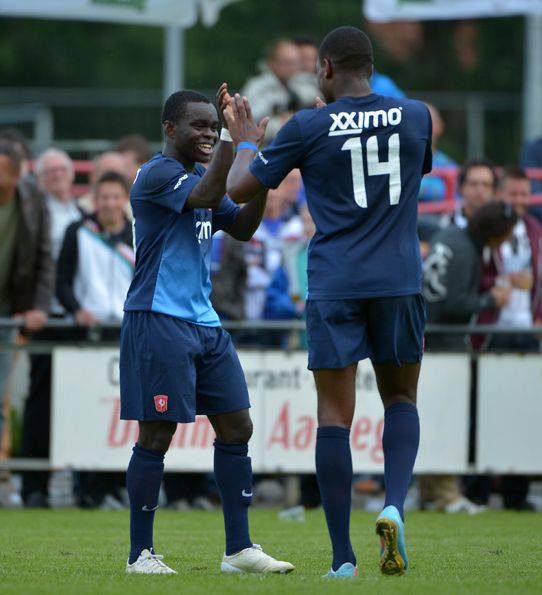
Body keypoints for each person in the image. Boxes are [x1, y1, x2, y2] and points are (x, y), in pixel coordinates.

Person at [226, 26, 432, 577]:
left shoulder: (309, 125)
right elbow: (407, 168)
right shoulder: (415, 115)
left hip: (337, 283)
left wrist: (247, 139)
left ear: (324, 70)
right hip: (398, 279)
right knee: (402, 400)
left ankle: (343, 559)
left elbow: (242, 188)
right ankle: (392, 503)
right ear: (370, 65)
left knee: (334, 417)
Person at [120, 87, 294, 575]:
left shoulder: (200, 175)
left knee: (238, 425)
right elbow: (207, 195)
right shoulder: (158, 174)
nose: (208, 133)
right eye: (199, 125)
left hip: (204, 323)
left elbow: (240, 227)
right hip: (158, 319)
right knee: (156, 433)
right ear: (170, 129)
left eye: (213, 126)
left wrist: (262, 172)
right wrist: (236, 147)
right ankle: (140, 555)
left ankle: (239, 551)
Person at [20, 147, 82, 508]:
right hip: (48, 316)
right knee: (41, 402)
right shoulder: (36, 213)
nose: (58, 175)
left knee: (78, 402)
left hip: (74, 319)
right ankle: (34, 485)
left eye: (63, 169)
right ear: (40, 178)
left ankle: (79, 483)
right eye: (51, 170)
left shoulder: (81, 212)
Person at [0, 141, 53, 458]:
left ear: (17, 175)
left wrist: (40, 308)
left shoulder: (33, 202)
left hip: (8, 313)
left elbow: (45, 259)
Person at [241, 39, 319, 142]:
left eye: (295, 63)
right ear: (272, 63)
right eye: (287, 62)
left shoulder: (299, 81)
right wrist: (281, 123)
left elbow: (317, 97)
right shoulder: (257, 86)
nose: (292, 68)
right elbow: (247, 125)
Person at [440, 159, 497, 229]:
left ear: (494, 190)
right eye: (473, 184)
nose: (480, 190)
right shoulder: (446, 224)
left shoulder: (502, 226)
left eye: (486, 185)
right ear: (461, 188)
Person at [418, 103, 456, 203]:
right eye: (418, 121)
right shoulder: (398, 160)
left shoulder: (448, 165)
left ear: (440, 127)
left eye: (430, 122)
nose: (424, 127)